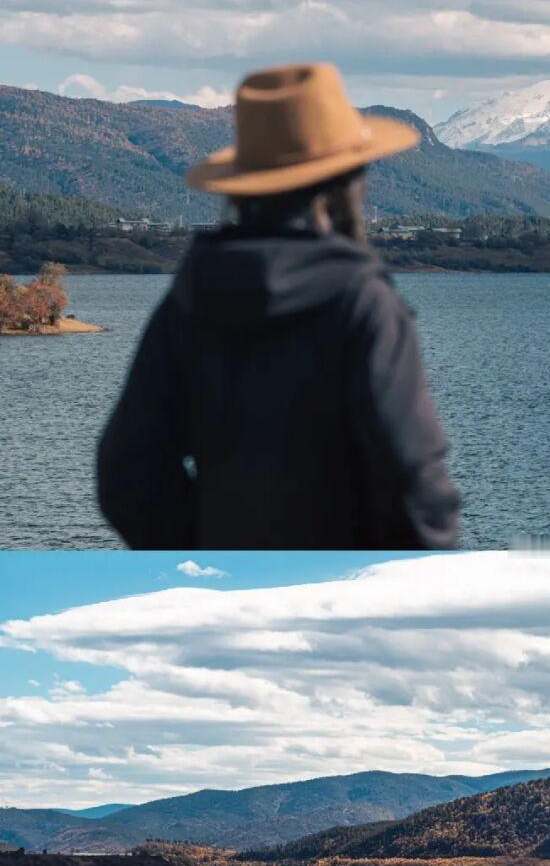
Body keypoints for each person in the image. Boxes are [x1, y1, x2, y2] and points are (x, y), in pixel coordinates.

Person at [97, 62, 460, 549]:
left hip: (224, 600)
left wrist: (208, 552)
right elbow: (415, 484)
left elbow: (127, 472)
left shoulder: (192, 297)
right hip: (345, 603)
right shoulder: (364, 303)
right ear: (345, 184)